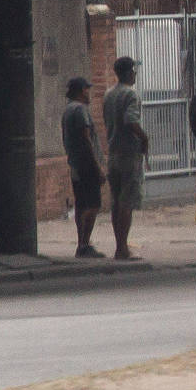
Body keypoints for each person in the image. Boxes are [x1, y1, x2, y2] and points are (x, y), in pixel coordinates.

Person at [101, 54, 148, 260]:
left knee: (116, 201)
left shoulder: (108, 94)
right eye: (133, 70)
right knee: (126, 202)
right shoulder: (131, 95)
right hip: (129, 154)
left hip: (113, 152)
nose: (135, 73)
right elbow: (131, 120)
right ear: (129, 72)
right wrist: (144, 138)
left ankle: (119, 244)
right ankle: (122, 248)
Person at [62, 76, 104, 258]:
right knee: (92, 205)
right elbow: (87, 139)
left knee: (81, 204)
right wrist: (97, 167)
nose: (89, 93)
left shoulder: (68, 110)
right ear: (81, 91)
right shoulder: (80, 110)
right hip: (86, 164)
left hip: (76, 164)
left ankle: (82, 243)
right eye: (87, 89)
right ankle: (85, 243)